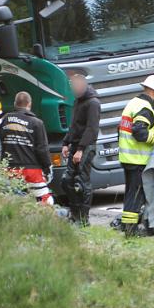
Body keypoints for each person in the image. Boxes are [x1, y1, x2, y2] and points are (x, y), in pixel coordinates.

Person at [118, 74, 154, 236]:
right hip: (138, 159)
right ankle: (131, 232)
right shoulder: (145, 108)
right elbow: (139, 131)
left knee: (131, 193)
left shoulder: (133, 103)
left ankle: (127, 226)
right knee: (136, 196)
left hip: (126, 157)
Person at [0, 91, 54, 205]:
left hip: (10, 169)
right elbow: (42, 149)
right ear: (29, 104)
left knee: (12, 201)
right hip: (31, 170)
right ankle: (45, 220)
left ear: (15, 104)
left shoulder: (3, 120)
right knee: (45, 200)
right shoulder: (37, 123)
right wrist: (47, 167)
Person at [61, 74, 101, 224]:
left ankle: (84, 219)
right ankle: (75, 214)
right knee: (66, 181)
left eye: (75, 87)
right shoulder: (78, 101)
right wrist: (66, 143)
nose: (73, 90)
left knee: (83, 182)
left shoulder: (93, 103)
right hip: (75, 146)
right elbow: (74, 125)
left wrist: (81, 149)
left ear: (83, 85)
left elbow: (92, 129)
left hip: (86, 147)